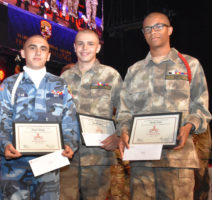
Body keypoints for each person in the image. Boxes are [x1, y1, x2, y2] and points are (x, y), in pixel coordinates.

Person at [117, 12, 211, 200]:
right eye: (148, 29)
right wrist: (124, 131)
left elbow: (201, 107)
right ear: (143, 34)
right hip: (141, 160)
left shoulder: (190, 65)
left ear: (170, 30)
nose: (153, 32)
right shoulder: (134, 71)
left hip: (177, 160)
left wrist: (189, 126)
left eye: (159, 26)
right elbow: (124, 111)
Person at [0, 35, 79, 199]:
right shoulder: (9, 84)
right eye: (32, 47)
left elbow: (70, 121)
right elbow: (1, 121)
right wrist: (3, 145)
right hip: (14, 168)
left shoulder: (59, 85)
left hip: (49, 166)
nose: (38, 52)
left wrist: (69, 144)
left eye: (43, 48)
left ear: (49, 56)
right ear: (23, 53)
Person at [60, 29, 123, 200]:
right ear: (74, 47)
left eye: (90, 44)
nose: (84, 48)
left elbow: (125, 110)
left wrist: (118, 136)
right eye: (80, 43)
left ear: (98, 48)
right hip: (68, 156)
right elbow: (56, 113)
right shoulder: (64, 77)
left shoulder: (111, 75)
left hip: (98, 156)